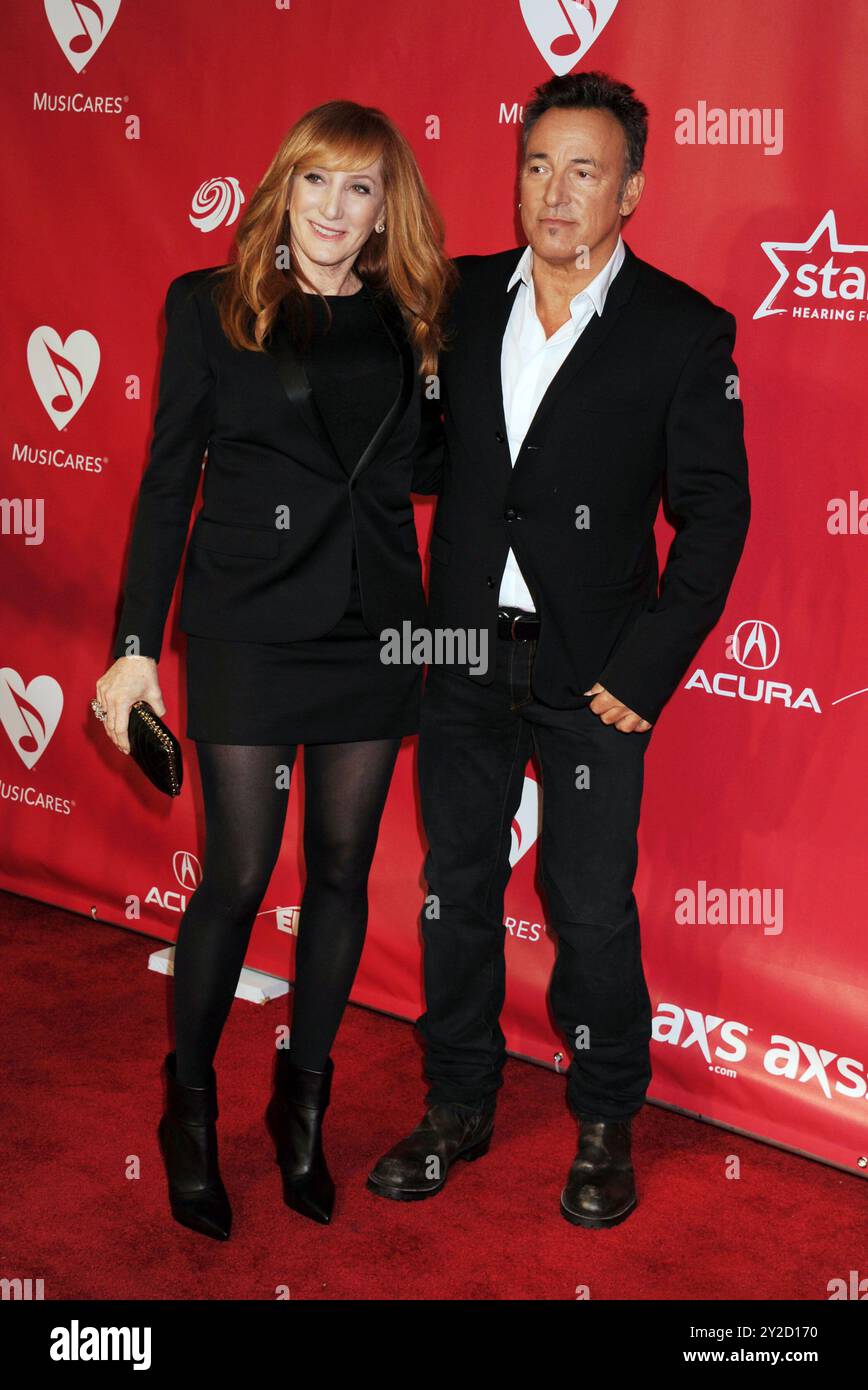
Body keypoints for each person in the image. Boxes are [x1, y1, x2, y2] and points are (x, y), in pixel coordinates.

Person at [368, 71, 751, 1227]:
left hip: (594, 671)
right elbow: (424, 456)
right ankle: (458, 1103)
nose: (555, 191)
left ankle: (603, 1119)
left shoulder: (682, 332)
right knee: (457, 886)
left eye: (584, 170)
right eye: (538, 164)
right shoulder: (460, 297)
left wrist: (643, 672)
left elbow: (716, 514)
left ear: (630, 188)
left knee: (586, 905)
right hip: (462, 648)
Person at [94, 99, 453, 1239]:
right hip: (247, 622)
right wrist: (134, 647)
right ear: (282, 187)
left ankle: (301, 1102)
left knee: (343, 871)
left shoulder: (412, 320)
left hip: (372, 630)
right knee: (240, 877)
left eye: (359, 189)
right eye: (315, 183)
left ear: (383, 205)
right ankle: (189, 1110)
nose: (334, 211)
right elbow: (167, 483)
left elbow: (431, 469)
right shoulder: (207, 307)